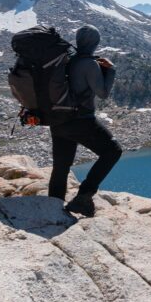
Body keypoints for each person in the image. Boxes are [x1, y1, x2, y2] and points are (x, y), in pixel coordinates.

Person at [47, 24, 123, 217]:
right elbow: (103, 93)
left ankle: (52, 208)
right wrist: (111, 70)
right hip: (81, 120)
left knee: (61, 167)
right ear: (95, 43)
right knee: (112, 151)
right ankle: (83, 197)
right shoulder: (89, 64)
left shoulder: (66, 60)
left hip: (58, 120)